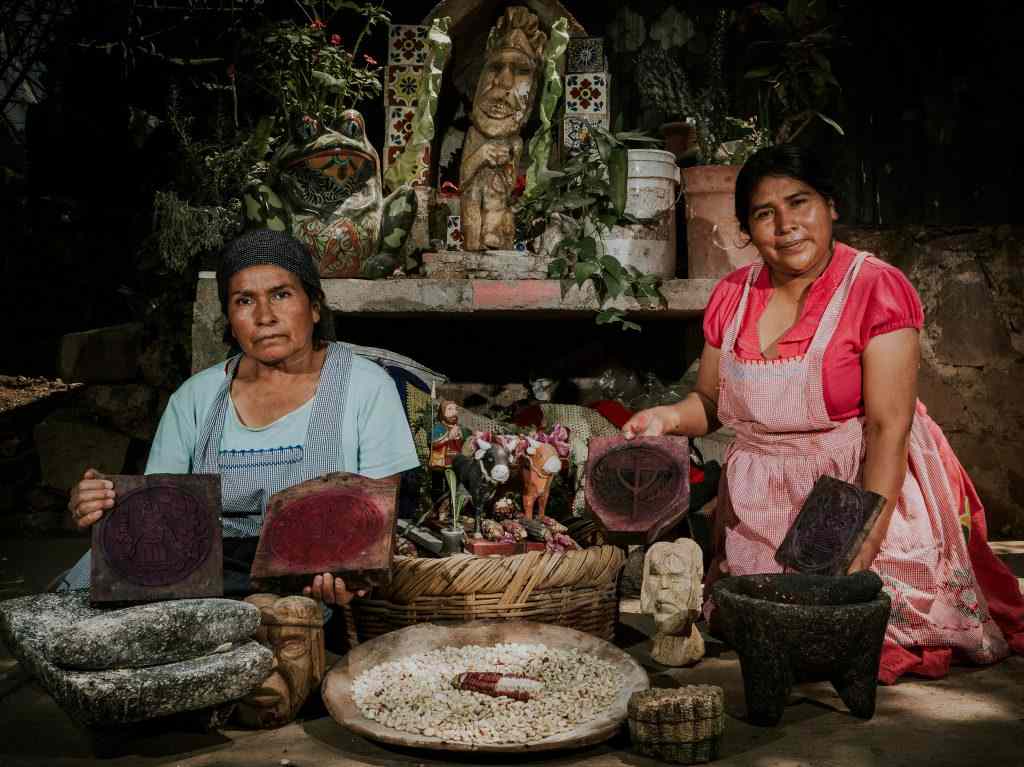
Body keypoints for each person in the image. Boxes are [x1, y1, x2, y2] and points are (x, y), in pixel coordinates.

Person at [622, 144, 1024, 683]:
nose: (786, 225)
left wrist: (866, 543)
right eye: (765, 213)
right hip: (765, 496)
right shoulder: (732, 296)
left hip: (857, 485)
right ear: (746, 228)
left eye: (800, 202)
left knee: (849, 623)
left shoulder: (877, 289)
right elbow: (712, 404)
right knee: (765, 620)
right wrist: (667, 418)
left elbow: (888, 426)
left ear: (830, 205)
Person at [63, 228, 421, 605]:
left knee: (285, 622)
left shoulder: (366, 387)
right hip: (199, 580)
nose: (265, 316)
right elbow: (160, 513)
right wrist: (100, 502)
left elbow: (374, 522)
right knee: (85, 595)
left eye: (281, 294)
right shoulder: (195, 398)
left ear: (315, 306)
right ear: (230, 320)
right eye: (244, 300)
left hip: (308, 576)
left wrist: (349, 571)